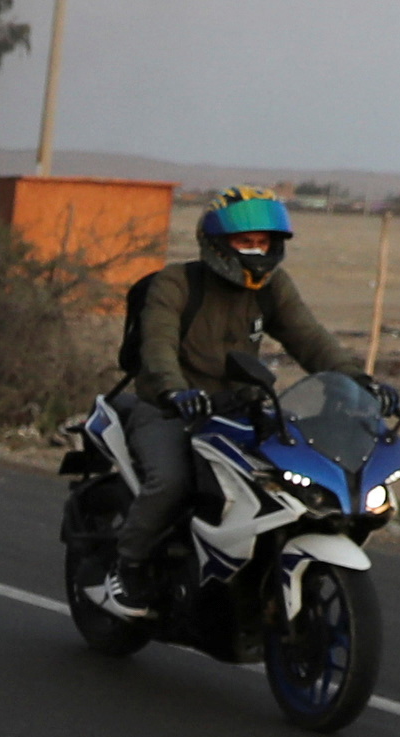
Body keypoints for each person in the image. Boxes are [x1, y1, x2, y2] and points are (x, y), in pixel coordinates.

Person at [86, 187, 352, 619]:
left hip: (239, 410)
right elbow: (157, 347)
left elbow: (310, 338)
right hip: (169, 409)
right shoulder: (176, 282)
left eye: (263, 242)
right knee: (170, 482)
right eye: (245, 241)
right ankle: (126, 567)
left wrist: (357, 380)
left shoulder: (271, 287)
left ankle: (248, 568)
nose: (256, 250)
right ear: (217, 244)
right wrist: (175, 391)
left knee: (283, 477)